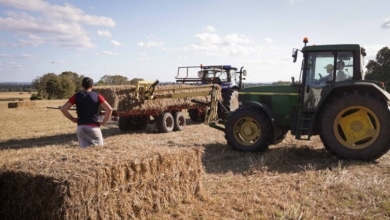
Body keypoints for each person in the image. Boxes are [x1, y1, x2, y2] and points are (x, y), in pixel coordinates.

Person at [61, 77, 113, 147]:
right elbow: (109, 109)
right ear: (92, 86)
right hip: (94, 127)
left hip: (81, 127)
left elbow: (63, 109)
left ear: (82, 86)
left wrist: (73, 119)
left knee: (84, 152)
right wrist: (103, 122)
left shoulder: (76, 96)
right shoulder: (98, 96)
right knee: (98, 150)